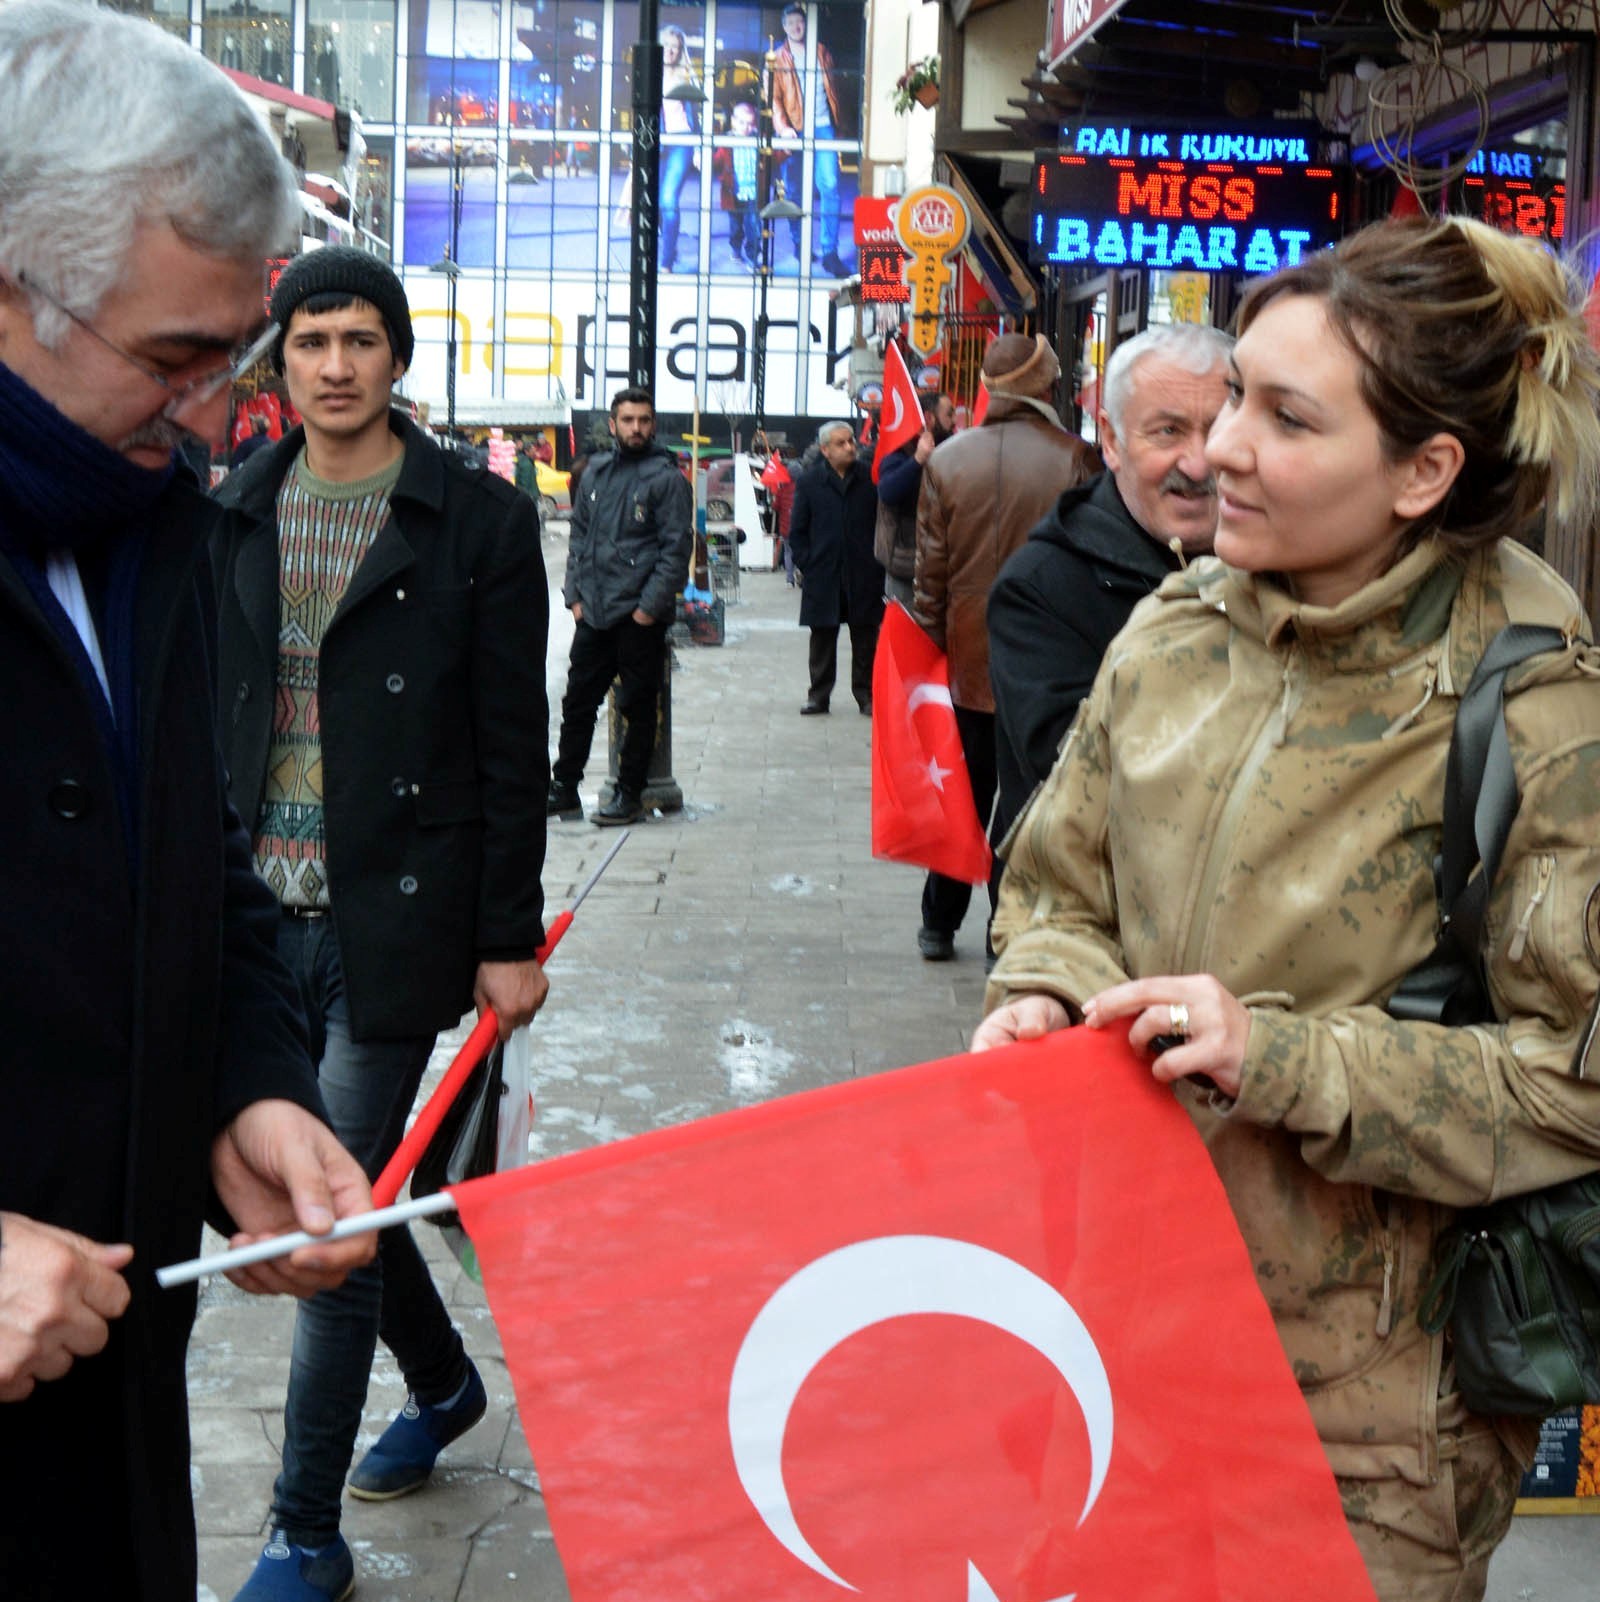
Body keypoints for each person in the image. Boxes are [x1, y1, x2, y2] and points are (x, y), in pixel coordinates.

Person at [974, 216, 1600, 1602]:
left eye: (1286, 416)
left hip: (1368, 1424)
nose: (1218, 449)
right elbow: (1057, 889)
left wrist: (1280, 1057)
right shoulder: (1170, 629)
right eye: (1233, 394)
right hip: (1113, 1335)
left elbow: (1576, 1083)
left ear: (1425, 471)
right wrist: (1049, 992)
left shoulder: (1536, 707)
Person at [0, 6, 375, 1596]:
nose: (223, 413)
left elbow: (190, 863)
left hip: (108, 1431)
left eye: (235, 357)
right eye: (175, 359)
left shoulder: (139, 515)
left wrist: (250, 1085)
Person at [212, 246, 552, 1601]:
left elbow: (510, 738)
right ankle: (450, 1380)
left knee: (319, 1229)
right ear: (279, 361)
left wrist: (507, 933)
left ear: (397, 357)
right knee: (353, 1190)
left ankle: (302, 1530)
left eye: (361, 339)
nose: (337, 366)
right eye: (312, 342)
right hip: (254, 919)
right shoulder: (230, 506)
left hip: (394, 921)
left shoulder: (473, 519)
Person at [987, 323, 1231, 848]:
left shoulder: (1289, 564)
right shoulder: (1038, 590)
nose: (1198, 462)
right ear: (1112, 441)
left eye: (1218, 430)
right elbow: (1088, 782)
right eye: (1167, 431)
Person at [911, 334, 1098, 963]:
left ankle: (938, 921)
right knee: (1026, 800)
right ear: (1046, 387)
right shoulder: (1078, 459)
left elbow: (929, 579)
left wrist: (927, 657)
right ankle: (1005, 927)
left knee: (959, 794)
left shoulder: (946, 460)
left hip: (964, 663)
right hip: (1046, 664)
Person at [549, 386, 693, 826]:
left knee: (636, 706)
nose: (636, 428)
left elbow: (675, 550)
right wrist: (574, 596)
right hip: (593, 611)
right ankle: (564, 788)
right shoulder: (594, 473)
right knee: (577, 704)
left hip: (638, 618)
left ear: (653, 424)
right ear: (613, 425)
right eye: (628, 420)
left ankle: (629, 795)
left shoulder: (666, 479)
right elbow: (578, 536)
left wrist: (647, 610)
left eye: (644, 420)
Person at [788, 419, 884, 715]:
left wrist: (877, 561)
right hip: (824, 573)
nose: (850, 447)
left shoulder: (870, 479)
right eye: (841, 443)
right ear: (826, 449)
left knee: (866, 637)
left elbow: (881, 523)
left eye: (851, 441)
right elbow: (798, 531)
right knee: (822, 638)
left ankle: (866, 695)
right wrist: (808, 562)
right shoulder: (809, 482)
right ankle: (819, 695)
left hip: (863, 572)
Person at [769, 0, 848, 278]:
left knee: (830, 187)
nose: (795, 26)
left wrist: (840, 124)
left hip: (824, 126)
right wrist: (783, 128)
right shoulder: (779, 57)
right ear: (784, 27)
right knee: (794, 191)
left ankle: (829, 252)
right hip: (795, 129)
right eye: (789, 23)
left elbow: (835, 89)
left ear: (806, 24)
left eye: (799, 22)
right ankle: (801, 245)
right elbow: (775, 99)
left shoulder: (822, 51)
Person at [875, 388, 955, 606]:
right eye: (949, 414)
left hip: (942, 566)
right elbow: (888, 492)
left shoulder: (949, 451)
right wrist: (918, 459)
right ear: (929, 418)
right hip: (905, 566)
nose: (954, 421)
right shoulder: (900, 452)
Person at [658, 24, 701, 273]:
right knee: (657, 202)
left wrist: (698, 148)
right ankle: (670, 249)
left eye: (676, 47)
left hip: (682, 140)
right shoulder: (651, 74)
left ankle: (666, 261)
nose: (671, 51)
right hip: (659, 143)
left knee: (668, 199)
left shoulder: (687, 76)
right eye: (667, 46)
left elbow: (696, 113)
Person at [712, 100, 762, 269]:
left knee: (754, 225)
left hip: (753, 192)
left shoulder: (758, 139)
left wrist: (785, 150)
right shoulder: (727, 142)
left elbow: (772, 157)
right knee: (736, 226)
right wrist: (704, 160)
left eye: (750, 123)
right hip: (733, 193)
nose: (745, 127)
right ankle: (736, 248)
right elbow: (717, 161)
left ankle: (753, 257)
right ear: (733, 121)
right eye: (741, 122)